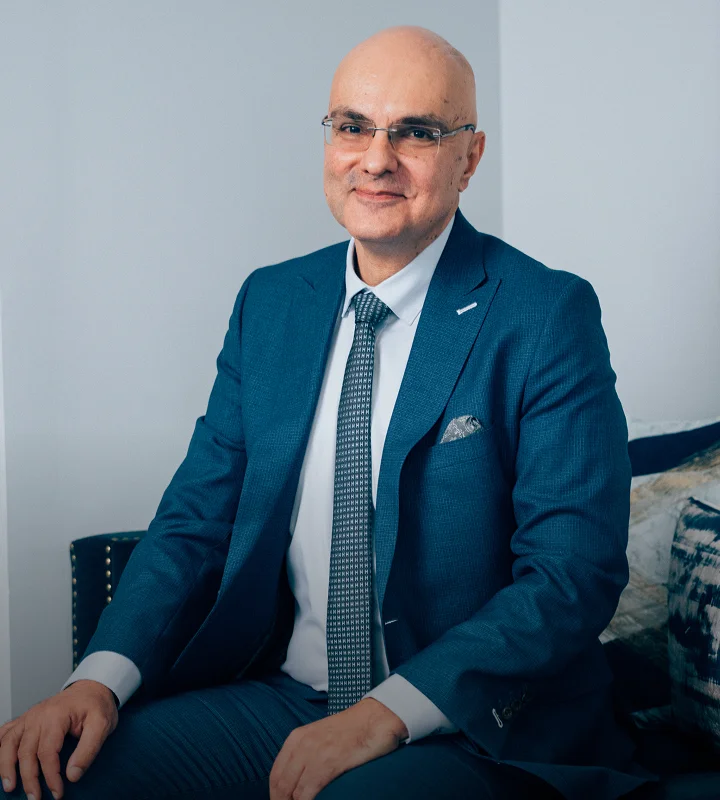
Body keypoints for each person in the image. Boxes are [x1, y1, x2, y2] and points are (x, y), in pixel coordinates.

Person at [0, 24, 659, 800]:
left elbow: (571, 573)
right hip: (286, 700)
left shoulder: (546, 314)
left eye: (415, 132)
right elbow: (195, 523)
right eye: (352, 127)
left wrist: (388, 710)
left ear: (468, 158)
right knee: (45, 780)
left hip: (474, 724)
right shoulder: (272, 303)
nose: (375, 159)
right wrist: (97, 683)